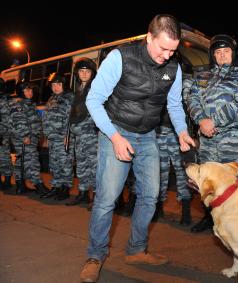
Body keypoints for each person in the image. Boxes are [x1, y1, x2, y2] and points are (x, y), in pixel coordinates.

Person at [80, 14, 194, 283]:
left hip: (147, 136)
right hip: (116, 132)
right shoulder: (121, 57)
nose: (167, 55)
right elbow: (94, 101)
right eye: (162, 48)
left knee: (151, 195)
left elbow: (174, 105)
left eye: (172, 50)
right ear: (149, 38)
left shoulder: (174, 68)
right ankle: (95, 256)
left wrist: (181, 131)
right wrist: (115, 137)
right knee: (107, 199)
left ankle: (137, 249)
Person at [188, 34, 238, 233]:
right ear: (212, 55)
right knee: (207, 181)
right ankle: (210, 218)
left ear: (233, 54)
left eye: (226, 52)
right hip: (206, 140)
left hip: (230, 138)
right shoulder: (201, 77)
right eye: (218, 52)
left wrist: (213, 122)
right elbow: (192, 100)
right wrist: (201, 120)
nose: (222, 55)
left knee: (235, 180)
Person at [66, 58, 98, 207]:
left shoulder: (96, 88)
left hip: (91, 135)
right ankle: (83, 193)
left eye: (87, 71)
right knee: (81, 165)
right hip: (79, 136)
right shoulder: (78, 90)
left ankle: (97, 198)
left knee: (94, 166)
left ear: (92, 73)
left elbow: (96, 112)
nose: (84, 74)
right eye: (81, 71)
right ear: (77, 73)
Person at [40, 73, 74, 200]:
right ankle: (56, 187)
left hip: (63, 137)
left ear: (63, 85)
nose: (55, 87)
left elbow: (71, 118)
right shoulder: (52, 98)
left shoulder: (69, 98)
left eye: (58, 84)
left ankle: (65, 189)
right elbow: (47, 118)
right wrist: (47, 136)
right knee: (54, 164)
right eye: (53, 85)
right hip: (53, 138)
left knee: (65, 163)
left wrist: (67, 135)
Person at [9, 83, 47, 194]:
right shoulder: (19, 105)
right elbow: (19, 121)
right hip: (25, 138)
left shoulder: (28, 104)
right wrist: (25, 136)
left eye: (30, 90)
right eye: (26, 91)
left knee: (22, 161)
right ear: (21, 92)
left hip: (31, 137)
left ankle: (20, 186)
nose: (29, 93)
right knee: (32, 160)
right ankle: (38, 184)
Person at [0, 78, 13, 191]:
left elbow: (8, 120)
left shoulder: (6, 100)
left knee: (4, 158)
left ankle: (8, 180)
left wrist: (3, 133)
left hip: (3, 134)